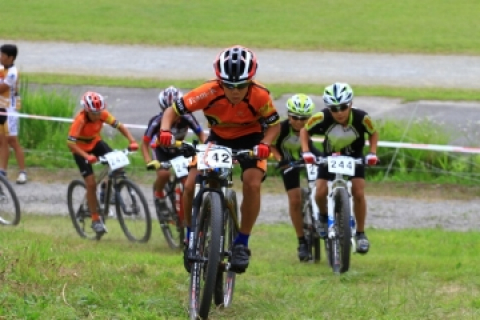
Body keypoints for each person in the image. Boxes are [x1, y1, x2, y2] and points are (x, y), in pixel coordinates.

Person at [159, 45, 281, 274]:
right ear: (219, 81)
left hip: (252, 139)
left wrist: (265, 144)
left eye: (241, 86)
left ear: (251, 81)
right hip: (218, 139)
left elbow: (274, 125)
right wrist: (165, 130)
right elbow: (172, 111)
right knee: (189, 185)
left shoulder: (260, 95)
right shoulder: (208, 91)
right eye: (229, 85)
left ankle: (242, 243)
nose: (235, 91)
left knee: (252, 183)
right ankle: (190, 237)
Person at [299, 83, 379, 254]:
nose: (339, 112)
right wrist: (306, 151)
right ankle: (322, 216)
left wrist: (372, 153)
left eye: (343, 107)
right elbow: (304, 131)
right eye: (334, 109)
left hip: (354, 157)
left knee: (358, 192)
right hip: (330, 157)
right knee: (320, 192)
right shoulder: (321, 117)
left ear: (350, 104)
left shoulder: (362, 117)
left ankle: (360, 234)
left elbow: (373, 132)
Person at [67, 91, 138, 236]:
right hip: (80, 149)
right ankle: (95, 220)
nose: (98, 115)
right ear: (87, 111)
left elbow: (119, 126)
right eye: (94, 113)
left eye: (99, 112)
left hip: (95, 142)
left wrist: (132, 141)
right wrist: (87, 156)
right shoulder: (80, 120)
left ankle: (106, 191)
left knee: (118, 162)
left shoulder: (103, 114)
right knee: (91, 184)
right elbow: (70, 143)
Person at [141, 86, 206, 218]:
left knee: (188, 181)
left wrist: (206, 149)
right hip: (160, 150)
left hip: (179, 149)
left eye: (176, 112)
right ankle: (159, 195)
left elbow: (201, 135)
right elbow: (145, 144)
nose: (173, 116)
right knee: (164, 174)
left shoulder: (188, 117)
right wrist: (149, 161)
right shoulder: (156, 122)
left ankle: (188, 212)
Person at [270, 94, 322, 261]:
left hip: (308, 155)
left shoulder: (311, 127)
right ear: (288, 115)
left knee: (324, 182)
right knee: (295, 200)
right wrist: (280, 161)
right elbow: (271, 145)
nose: (300, 122)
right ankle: (301, 242)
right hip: (288, 161)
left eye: (304, 118)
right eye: (295, 117)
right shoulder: (281, 128)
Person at [0, 44, 23, 180]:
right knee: (2, 140)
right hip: (1, 108)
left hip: (10, 110)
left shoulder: (13, 73)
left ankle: (22, 172)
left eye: (2, 55)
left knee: (12, 141)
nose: (0, 58)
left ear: (11, 58)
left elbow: (1, 89)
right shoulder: (2, 68)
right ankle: (3, 170)